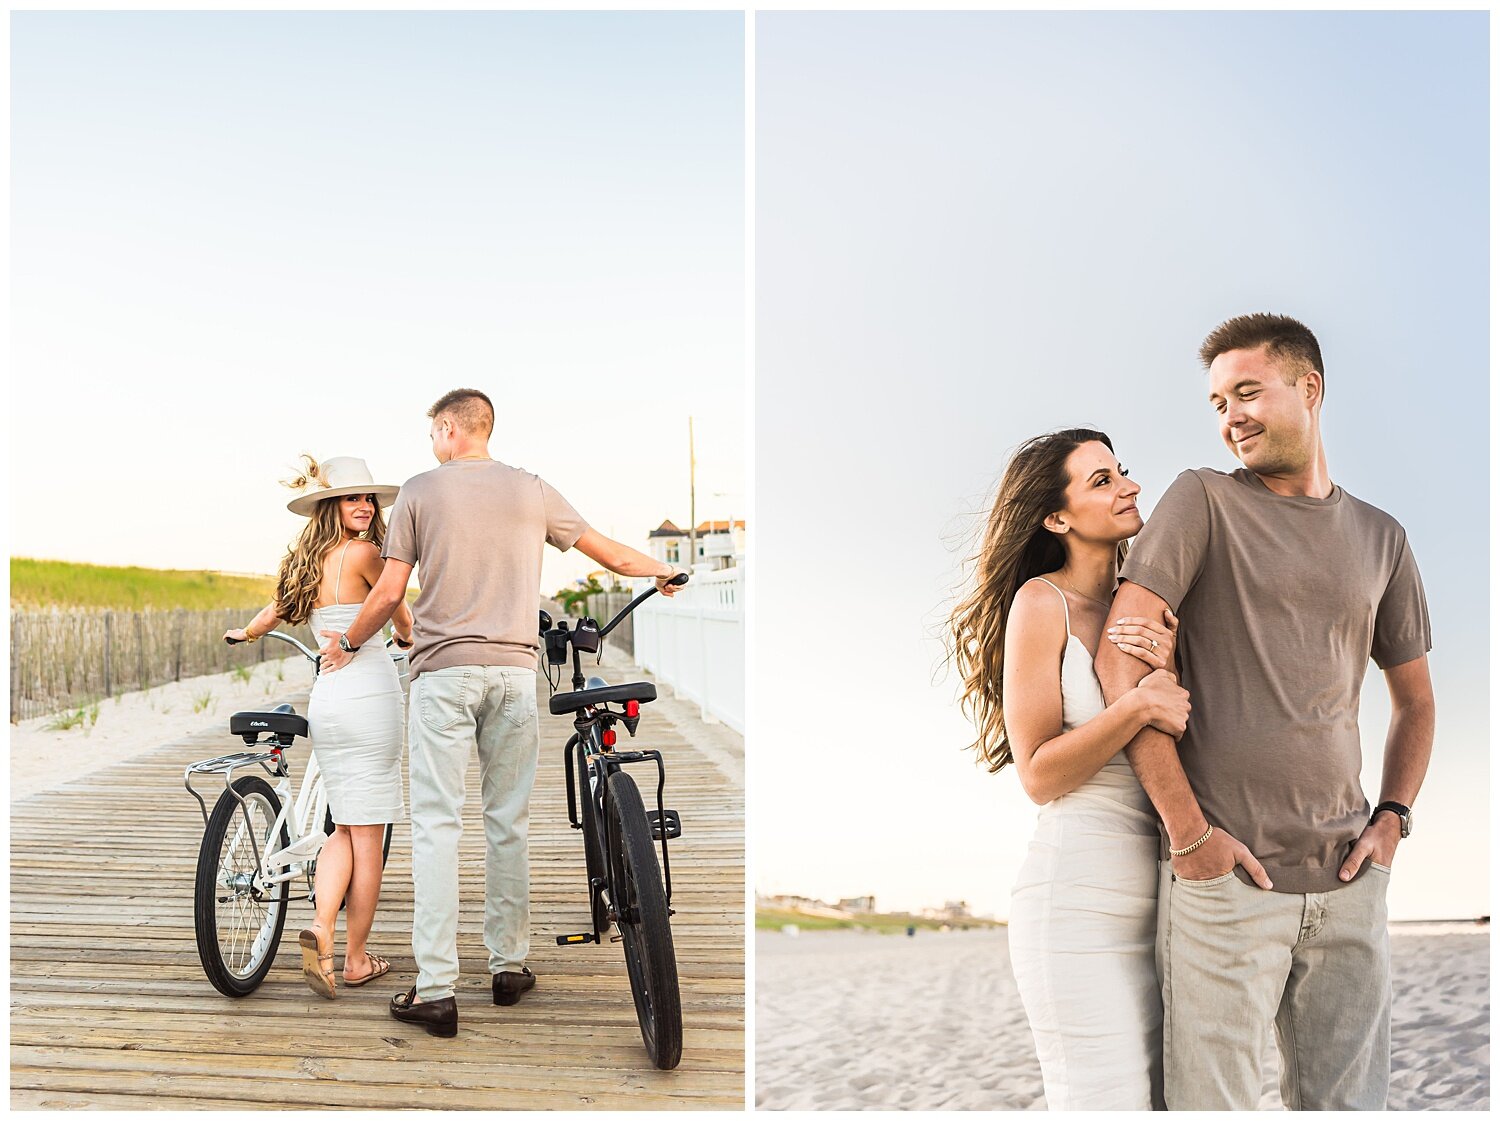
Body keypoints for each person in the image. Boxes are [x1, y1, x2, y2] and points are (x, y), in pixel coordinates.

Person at [1094, 313, 1435, 1110]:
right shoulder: (1203, 500)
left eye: (1247, 391)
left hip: (1350, 880)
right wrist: (1190, 833)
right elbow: (1121, 658)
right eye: (1217, 402)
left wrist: (1392, 819)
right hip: (1226, 881)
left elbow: (1415, 700)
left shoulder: (1382, 537)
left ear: (1310, 388)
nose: (1230, 416)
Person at [316, 388, 685, 1038]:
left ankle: (435, 990)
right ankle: (509, 966)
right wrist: (660, 571)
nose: (432, 443)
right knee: (506, 821)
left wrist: (346, 643)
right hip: (514, 676)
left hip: (443, 673)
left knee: (437, 823)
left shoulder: (419, 492)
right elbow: (606, 550)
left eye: (433, 432)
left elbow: (390, 590)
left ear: (449, 427)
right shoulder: (532, 489)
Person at [948, 427, 1192, 1109]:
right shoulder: (1040, 603)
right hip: (1076, 905)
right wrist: (1136, 705)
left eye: (1122, 472)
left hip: (1165, 906)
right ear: (1057, 517)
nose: (1129, 486)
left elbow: (1180, 727)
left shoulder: (1149, 605)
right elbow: (1039, 773)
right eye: (1102, 480)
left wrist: (1166, 669)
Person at [227, 455, 415, 999]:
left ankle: (322, 926)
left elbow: (273, 613)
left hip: (327, 698)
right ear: (331, 505)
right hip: (370, 692)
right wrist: (405, 636)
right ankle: (353, 958)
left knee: (342, 829)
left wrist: (246, 632)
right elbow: (393, 602)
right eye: (352, 498)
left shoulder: (308, 566)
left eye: (369, 499)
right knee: (369, 833)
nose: (364, 507)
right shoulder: (368, 554)